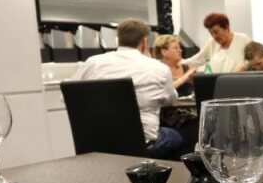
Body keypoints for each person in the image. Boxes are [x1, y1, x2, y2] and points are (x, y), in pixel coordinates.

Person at [71, 18, 186, 159]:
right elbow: (170, 100)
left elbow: (68, 97)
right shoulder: (158, 68)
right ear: (144, 42)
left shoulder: (93, 63)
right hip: (143, 142)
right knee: (176, 136)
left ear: (118, 40)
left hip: (98, 141)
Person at [181, 13, 251, 73]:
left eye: (216, 32)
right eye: (211, 33)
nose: (214, 36)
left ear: (227, 28)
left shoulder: (243, 39)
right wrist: (179, 63)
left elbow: (253, 59)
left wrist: (244, 66)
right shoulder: (211, 43)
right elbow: (197, 60)